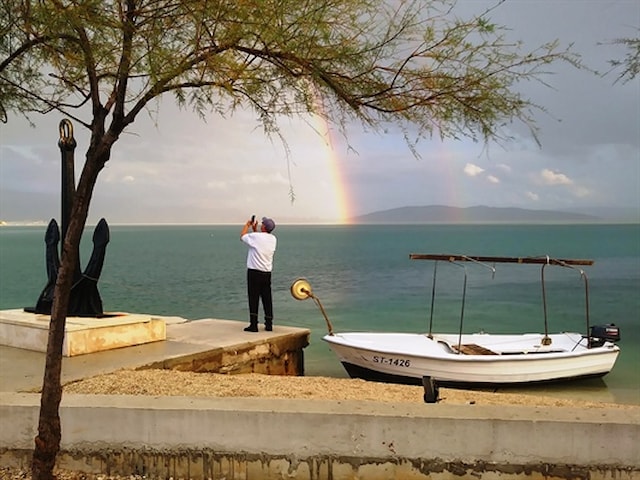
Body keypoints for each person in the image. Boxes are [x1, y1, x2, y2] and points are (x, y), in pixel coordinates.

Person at [240, 216, 277, 332]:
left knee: (253, 298)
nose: (261, 224)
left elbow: (243, 237)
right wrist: (255, 230)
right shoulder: (273, 239)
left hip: (254, 272)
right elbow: (259, 242)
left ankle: (254, 324)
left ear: (264, 227)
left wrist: (247, 225)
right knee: (267, 298)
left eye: (262, 224)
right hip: (266, 273)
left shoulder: (256, 237)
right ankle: (269, 323)